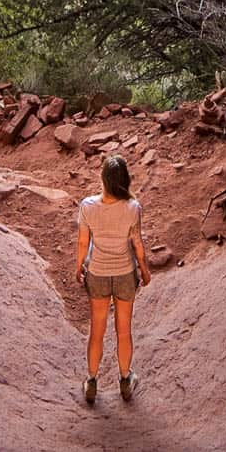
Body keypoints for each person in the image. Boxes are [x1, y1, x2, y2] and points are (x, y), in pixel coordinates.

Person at [75, 154, 151, 405]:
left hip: (97, 272)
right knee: (123, 330)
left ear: (103, 180)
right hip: (124, 273)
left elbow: (83, 242)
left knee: (97, 330)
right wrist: (144, 268)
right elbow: (137, 243)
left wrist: (79, 267)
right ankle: (125, 379)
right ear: (125, 180)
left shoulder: (87, 206)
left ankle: (92, 381)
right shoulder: (133, 208)